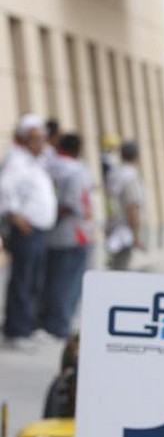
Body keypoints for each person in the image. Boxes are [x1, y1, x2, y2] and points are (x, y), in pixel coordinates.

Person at [0, 113, 58, 351]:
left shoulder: (36, 160)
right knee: (23, 281)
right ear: (25, 139)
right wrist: (16, 217)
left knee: (34, 281)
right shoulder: (17, 160)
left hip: (38, 230)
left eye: (43, 138)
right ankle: (17, 330)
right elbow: (5, 190)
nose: (42, 143)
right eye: (36, 139)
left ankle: (29, 326)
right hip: (25, 230)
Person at [40, 133, 94, 339]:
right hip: (74, 233)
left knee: (54, 280)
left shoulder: (48, 166)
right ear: (78, 149)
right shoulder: (77, 171)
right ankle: (60, 325)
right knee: (68, 282)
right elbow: (72, 203)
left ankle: (50, 321)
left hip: (52, 234)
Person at [104, 140, 143, 270]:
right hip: (125, 229)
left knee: (114, 267)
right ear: (136, 156)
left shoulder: (113, 174)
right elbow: (132, 206)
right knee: (122, 269)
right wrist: (136, 234)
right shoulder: (131, 176)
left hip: (112, 225)